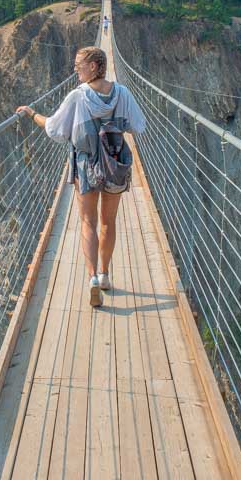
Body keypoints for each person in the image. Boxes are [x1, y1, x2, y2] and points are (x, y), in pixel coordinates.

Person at [16, 46, 146, 307]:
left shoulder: (77, 97)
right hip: (114, 164)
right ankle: (105, 274)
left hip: (86, 165)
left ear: (95, 66)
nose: (75, 68)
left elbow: (54, 129)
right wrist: (115, 125)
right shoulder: (122, 93)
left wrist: (32, 114)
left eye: (79, 64)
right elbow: (138, 126)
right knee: (108, 222)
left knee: (88, 222)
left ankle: (92, 279)